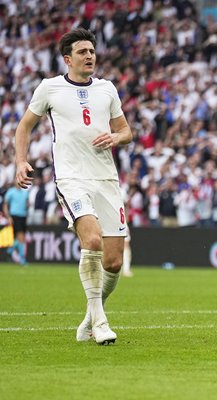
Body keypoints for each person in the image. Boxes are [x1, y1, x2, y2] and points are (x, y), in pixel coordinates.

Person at [14, 28, 133, 345]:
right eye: (82, 52)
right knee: (91, 240)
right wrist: (20, 161)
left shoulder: (107, 89)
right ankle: (102, 323)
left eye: (92, 51)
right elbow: (24, 126)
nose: (90, 56)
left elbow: (126, 131)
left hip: (106, 179)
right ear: (68, 59)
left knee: (114, 261)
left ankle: (91, 315)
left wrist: (115, 137)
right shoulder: (49, 88)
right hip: (71, 178)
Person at [3, 182, 29, 265]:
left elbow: (27, 203)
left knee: (21, 238)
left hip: (23, 216)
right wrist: (8, 217)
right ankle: (22, 259)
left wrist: (28, 205)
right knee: (20, 237)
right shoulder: (11, 191)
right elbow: (5, 205)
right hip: (15, 216)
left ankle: (10, 249)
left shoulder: (25, 192)